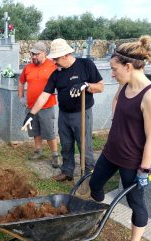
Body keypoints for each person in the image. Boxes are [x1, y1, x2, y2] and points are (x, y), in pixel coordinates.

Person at [89, 36, 151, 241]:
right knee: (94, 185)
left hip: (132, 161)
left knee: (135, 203)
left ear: (128, 66)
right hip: (111, 152)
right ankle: (99, 215)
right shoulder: (125, 85)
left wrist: (144, 170)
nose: (111, 73)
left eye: (114, 68)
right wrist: (117, 125)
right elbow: (116, 102)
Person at [23, 38, 104, 182]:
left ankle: (89, 174)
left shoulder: (85, 65)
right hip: (64, 114)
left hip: (82, 113)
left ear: (66, 55)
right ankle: (67, 172)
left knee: (84, 145)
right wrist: (31, 114)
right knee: (66, 144)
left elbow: (100, 87)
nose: (54, 62)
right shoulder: (56, 73)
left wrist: (86, 85)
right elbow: (44, 95)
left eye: (56, 58)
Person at [19, 42, 60, 167]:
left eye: (36, 54)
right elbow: (21, 82)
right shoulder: (28, 67)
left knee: (49, 132)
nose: (33, 56)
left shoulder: (53, 66)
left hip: (46, 107)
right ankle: (38, 151)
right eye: (32, 54)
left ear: (44, 53)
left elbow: (60, 82)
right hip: (31, 107)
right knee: (35, 130)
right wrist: (21, 96)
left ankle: (55, 155)